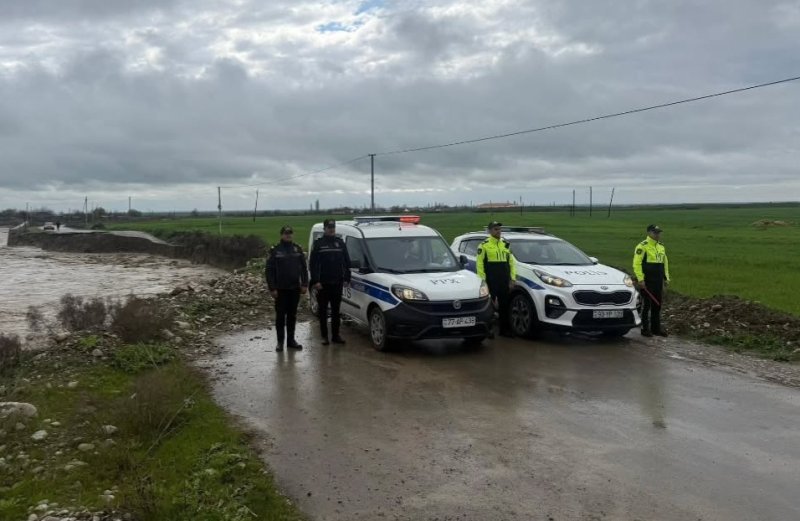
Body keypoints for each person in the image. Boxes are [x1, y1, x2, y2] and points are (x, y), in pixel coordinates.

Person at [266, 225, 308, 351]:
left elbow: (304, 269)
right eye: (285, 233)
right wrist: (272, 288)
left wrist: (305, 284)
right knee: (280, 317)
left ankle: (291, 340)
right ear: (281, 235)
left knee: (292, 315)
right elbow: (269, 271)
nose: (288, 235)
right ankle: (280, 342)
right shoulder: (275, 250)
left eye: (290, 233)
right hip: (280, 289)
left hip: (294, 288)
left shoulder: (297, 249)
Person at [309, 218, 351, 345]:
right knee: (323, 311)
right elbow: (313, 264)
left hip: (337, 282)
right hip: (323, 284)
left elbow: (346, 262)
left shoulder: (340, 243)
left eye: (333, 228)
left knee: (335, 311)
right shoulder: (319, 244)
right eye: (329, 228)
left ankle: (336, 336)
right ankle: (324, 336)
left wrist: (347, 278)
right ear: (325, 229)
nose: (331, 230)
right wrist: (316, 281)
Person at [477, 221, 517, 338]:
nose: (498, 231)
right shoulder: (484, 245)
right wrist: (483, 282)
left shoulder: (505, 244)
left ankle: (504, 330)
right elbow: (479, 265)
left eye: (499, 229)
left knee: (504, 305)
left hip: (504, 280)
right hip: (491, 281)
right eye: (495, 229)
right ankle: (488, 330)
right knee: (489, 307)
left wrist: (512, 279)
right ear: (490, 231)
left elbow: (512, 262)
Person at [632, 224, 670, 337]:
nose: (658, 235)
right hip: (647, 281)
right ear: (649, 233)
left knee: (657, 305)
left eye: (659, 233)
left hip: (658, 280)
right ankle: (645, 329)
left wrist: (666, 278)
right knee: (646, 305)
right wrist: (640, 279)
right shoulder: (642, 246)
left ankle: (656, 329)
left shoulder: (661, 246)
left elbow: (665, 263)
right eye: (655, 233)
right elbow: (636, 264)